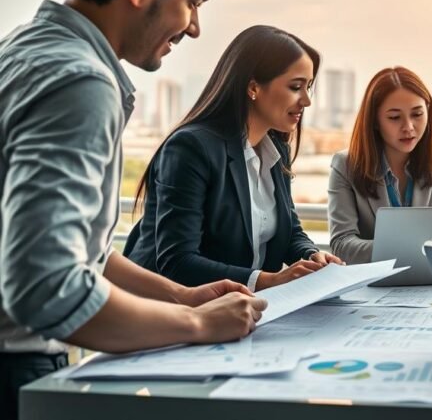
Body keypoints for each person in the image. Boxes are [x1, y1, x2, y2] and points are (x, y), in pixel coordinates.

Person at [0, 0, 265, 419]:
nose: (193, 27)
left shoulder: (24, 51)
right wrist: (195, 326)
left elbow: (78, 250)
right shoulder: (79, 83)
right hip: (14, 372)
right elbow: (46, 285)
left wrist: (180, 296)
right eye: (192, 1)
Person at [125, 26, 342, 290]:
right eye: (296, 87)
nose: (306, 101)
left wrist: (311, 256)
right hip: (169, 311)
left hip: (240, 310)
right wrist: (266, 281)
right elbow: (177, 261)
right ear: (253, 87)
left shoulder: (275, 150)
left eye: (308, 87)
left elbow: (288, 233)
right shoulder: (191, 148)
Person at [328, 67, 432, 264]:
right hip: (371, 285)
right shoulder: (345, 165)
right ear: (375, 121)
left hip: (426, 282)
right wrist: (406, 248)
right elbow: (342, 245)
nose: (409, 127)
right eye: (395, 117)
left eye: (417, 114)